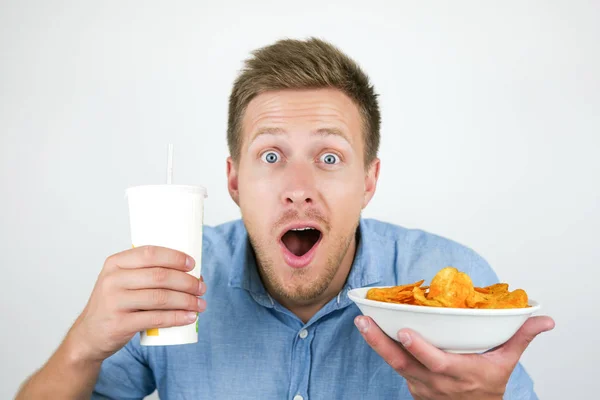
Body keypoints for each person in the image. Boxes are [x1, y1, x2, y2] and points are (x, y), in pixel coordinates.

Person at [16, 37, 554, 400]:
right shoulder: (170, 281)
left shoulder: (452, 285)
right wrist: (82, 345)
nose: (299, 190)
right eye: (271, 157)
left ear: (369, 181)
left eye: (329, 157)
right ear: (233, 182)